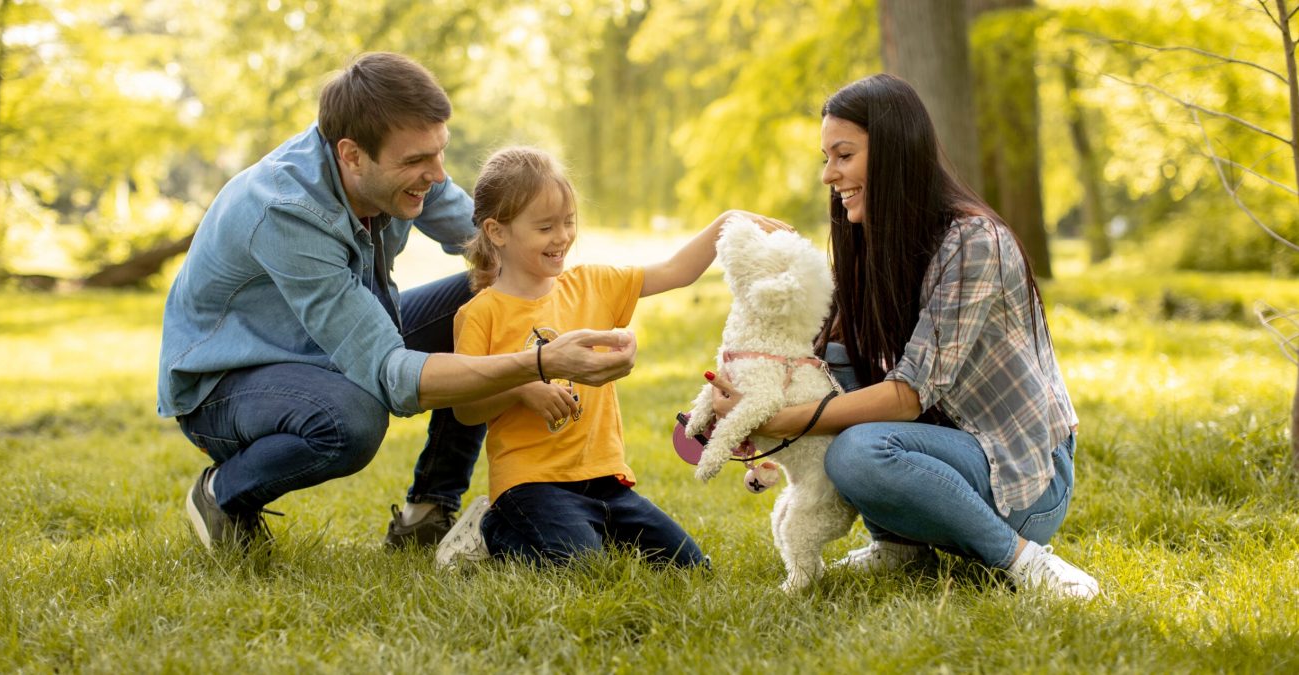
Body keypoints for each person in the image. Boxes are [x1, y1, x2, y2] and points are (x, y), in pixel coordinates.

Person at [159, 53, 636, 552]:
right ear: (352, 154)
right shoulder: (287, 210)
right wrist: (537, 363)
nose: (435, 175)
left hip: (323, 346)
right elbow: (388, 373)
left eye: (439, 153)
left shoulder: (402, 171)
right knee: (353, 420)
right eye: (414, 161)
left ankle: (428, 511)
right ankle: (223, 493)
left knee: (487, 293)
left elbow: (495, 243)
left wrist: (565, 296)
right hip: (230, 382)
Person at [704, 73, 1100, 599]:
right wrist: (762, 415)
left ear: (893, 149)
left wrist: (782, 419)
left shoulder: (975, 242)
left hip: (1023, 481)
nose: (829, 175)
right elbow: (820, 373)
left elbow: (909, 396)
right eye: (826, 158)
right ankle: (899, 545)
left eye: (843, 155)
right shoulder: (871, 245)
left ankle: (1025, 561)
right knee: (829, 361)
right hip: (946, 451)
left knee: (860, 452)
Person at [433, 146, 789, 568]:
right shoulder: (480, 314)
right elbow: (467, 410)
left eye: (568, 222)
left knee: (691, 567)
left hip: (605, 483)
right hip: (530, 484)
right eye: (545, 226)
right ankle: (493, 529)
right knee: (583, 566)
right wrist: (522, 386)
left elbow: (675, 271)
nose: (562, 236)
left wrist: (726, 223)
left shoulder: (591, 284)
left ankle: (579, 529)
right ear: (497, 232)